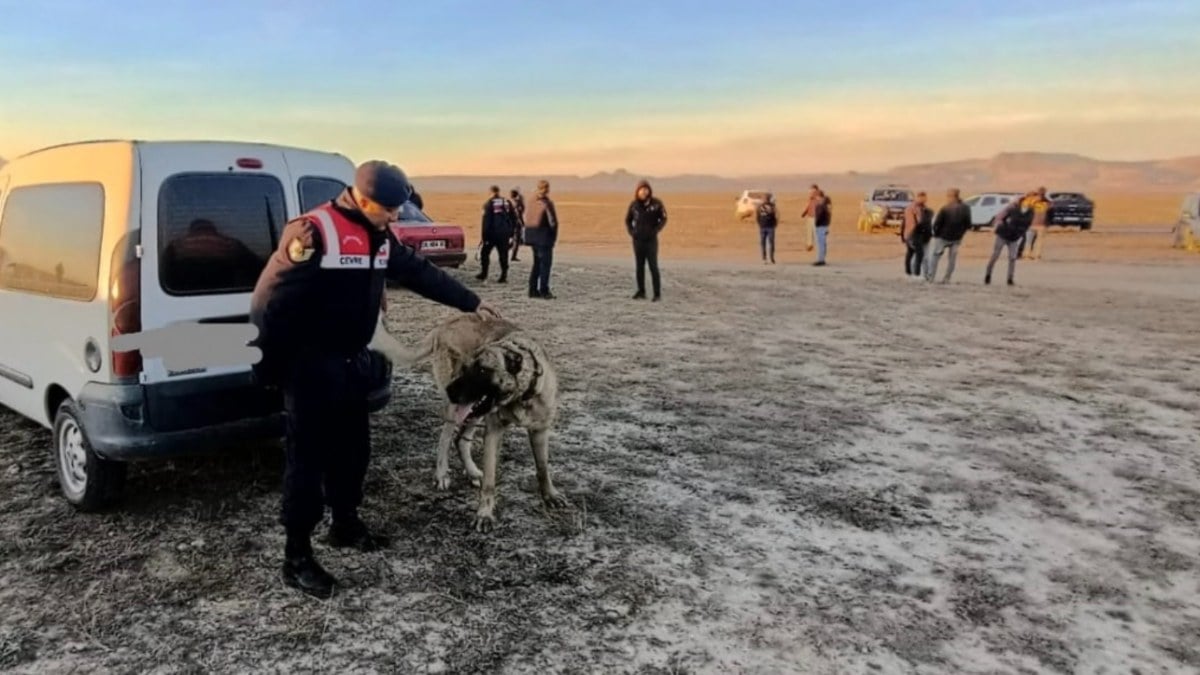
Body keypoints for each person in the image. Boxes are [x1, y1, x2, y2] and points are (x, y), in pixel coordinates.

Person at [248, 160, 500, 599]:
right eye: (390, 208)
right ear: (363, 200)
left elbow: (418, 272)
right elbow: (268, 303)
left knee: (353, 451)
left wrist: (470, 301)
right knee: (306, 463)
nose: (398, 216)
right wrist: (270, 366)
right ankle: (297, 556)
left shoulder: (379, 235)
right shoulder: (313, 233)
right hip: (310, 367)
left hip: (352, 362)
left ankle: (345, 524)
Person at [625, 179, 668, 300]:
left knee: (653, 266)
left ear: (649, 191)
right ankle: (641, 291)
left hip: (651, 241)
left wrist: (656, 229)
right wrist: (632, 232)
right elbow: (627, 220)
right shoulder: (634, 205)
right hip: (638, 241)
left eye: (645, 189)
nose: (643, 192)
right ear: (637, 191)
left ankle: (657, 294)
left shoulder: (656, 204)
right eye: (641, 190)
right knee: (639, 266)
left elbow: (664, 218)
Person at [925, 188, 974, 283]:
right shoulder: (966, 208)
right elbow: (968, 224)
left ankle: (931, 277)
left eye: (948, 196)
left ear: (952, 196)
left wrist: (935, 234)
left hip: (943, 237)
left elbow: (937, 223)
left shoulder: (946, 208)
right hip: (957, 238)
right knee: (952, 259)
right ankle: (947, 278)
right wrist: (961, 233)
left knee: (935, 257)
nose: (947, 198)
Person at [986, 194, 1033, 286]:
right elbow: (999, 218)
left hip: (1014, 238)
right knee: (995, 255)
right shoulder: (1011, 209)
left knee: (1012, 258)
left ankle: (1010, 279)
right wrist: (1000, 226)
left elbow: (1027, 225)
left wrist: (1020, 234)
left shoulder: (1030, 213)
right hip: (1002, 235)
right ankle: (988, 275)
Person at [523, 180, 558, 299]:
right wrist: (553, 237)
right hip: (544, 238)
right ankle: (544, 290)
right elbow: (552, 222)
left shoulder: (531, 201)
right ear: (547, 189)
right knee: (545, 265)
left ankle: (532, 290)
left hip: (532, 238)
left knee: (537, 264)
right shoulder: (546, 203)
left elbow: (526, 218)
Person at [476, 186, 514, 283]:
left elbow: (486, 222)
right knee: (503, 255)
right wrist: (511, 234)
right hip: (505, 234)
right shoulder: (507, 202)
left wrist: (484, 238)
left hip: (492, 234)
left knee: (484, 253)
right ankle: (504, 276)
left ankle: (484, 273)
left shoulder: (488, 204)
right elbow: (514, 219)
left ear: (490, 192)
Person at [901, 191, 933, 279]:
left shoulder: (910, 208)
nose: (925, 200)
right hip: (914, 234)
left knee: (910, 254)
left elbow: (903, 223)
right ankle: (916, 274)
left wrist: (903, 236)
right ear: (919, 197)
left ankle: (908, 273)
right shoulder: (916, 208)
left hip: (910, 234)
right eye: (923, 198)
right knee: (919, 254)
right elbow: (920, 222)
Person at [1022, 186, 1052, 260]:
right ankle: (1037, 256)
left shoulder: (1030, 201)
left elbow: (1024, 210)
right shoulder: (1047, 202)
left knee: (1028, 241)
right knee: (1039, 242)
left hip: (1031, 224)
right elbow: (1050, 211)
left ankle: (1026, 255)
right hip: (1042, 224)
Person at [811, 189, 832, 266]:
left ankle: (820, 260)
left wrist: (816, 224)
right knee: (822, 244)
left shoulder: (821, 205)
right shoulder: (826, 204)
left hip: (821, 226)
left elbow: (819, 216)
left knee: (820, 244)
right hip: (824, 225)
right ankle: (821, 259)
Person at [756, 193, 778, 264]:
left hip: (770, 227)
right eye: (765, 198)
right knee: (763, 243)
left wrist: (775, 224)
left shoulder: (772, 206)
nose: (766, 199)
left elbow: (776, 215)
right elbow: (757, 216)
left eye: (767, 198)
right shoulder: (760, 207)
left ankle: (771, 258)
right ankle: (764, 258)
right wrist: (760, 224)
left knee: (771, 243)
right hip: (763, 227)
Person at [799, 184, 819, 252]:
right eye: (810, 191)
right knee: (809, 232)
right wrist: (804, 213)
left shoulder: (818, 199)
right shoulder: (810, 199)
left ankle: (818, 245)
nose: (811, 193)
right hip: (810, 217)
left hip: (815, 217)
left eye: (813, 191)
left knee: (815, 232)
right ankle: (809, 245)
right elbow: (808, 206)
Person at [509, 188, 525, 262]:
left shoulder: (509, 202)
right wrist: (522, 223)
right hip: (516, 224)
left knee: (514, 240)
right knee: (517, 240)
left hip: (510, 223)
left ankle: (507, 251)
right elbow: (519, 214)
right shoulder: (517, 203)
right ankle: (513, 256)